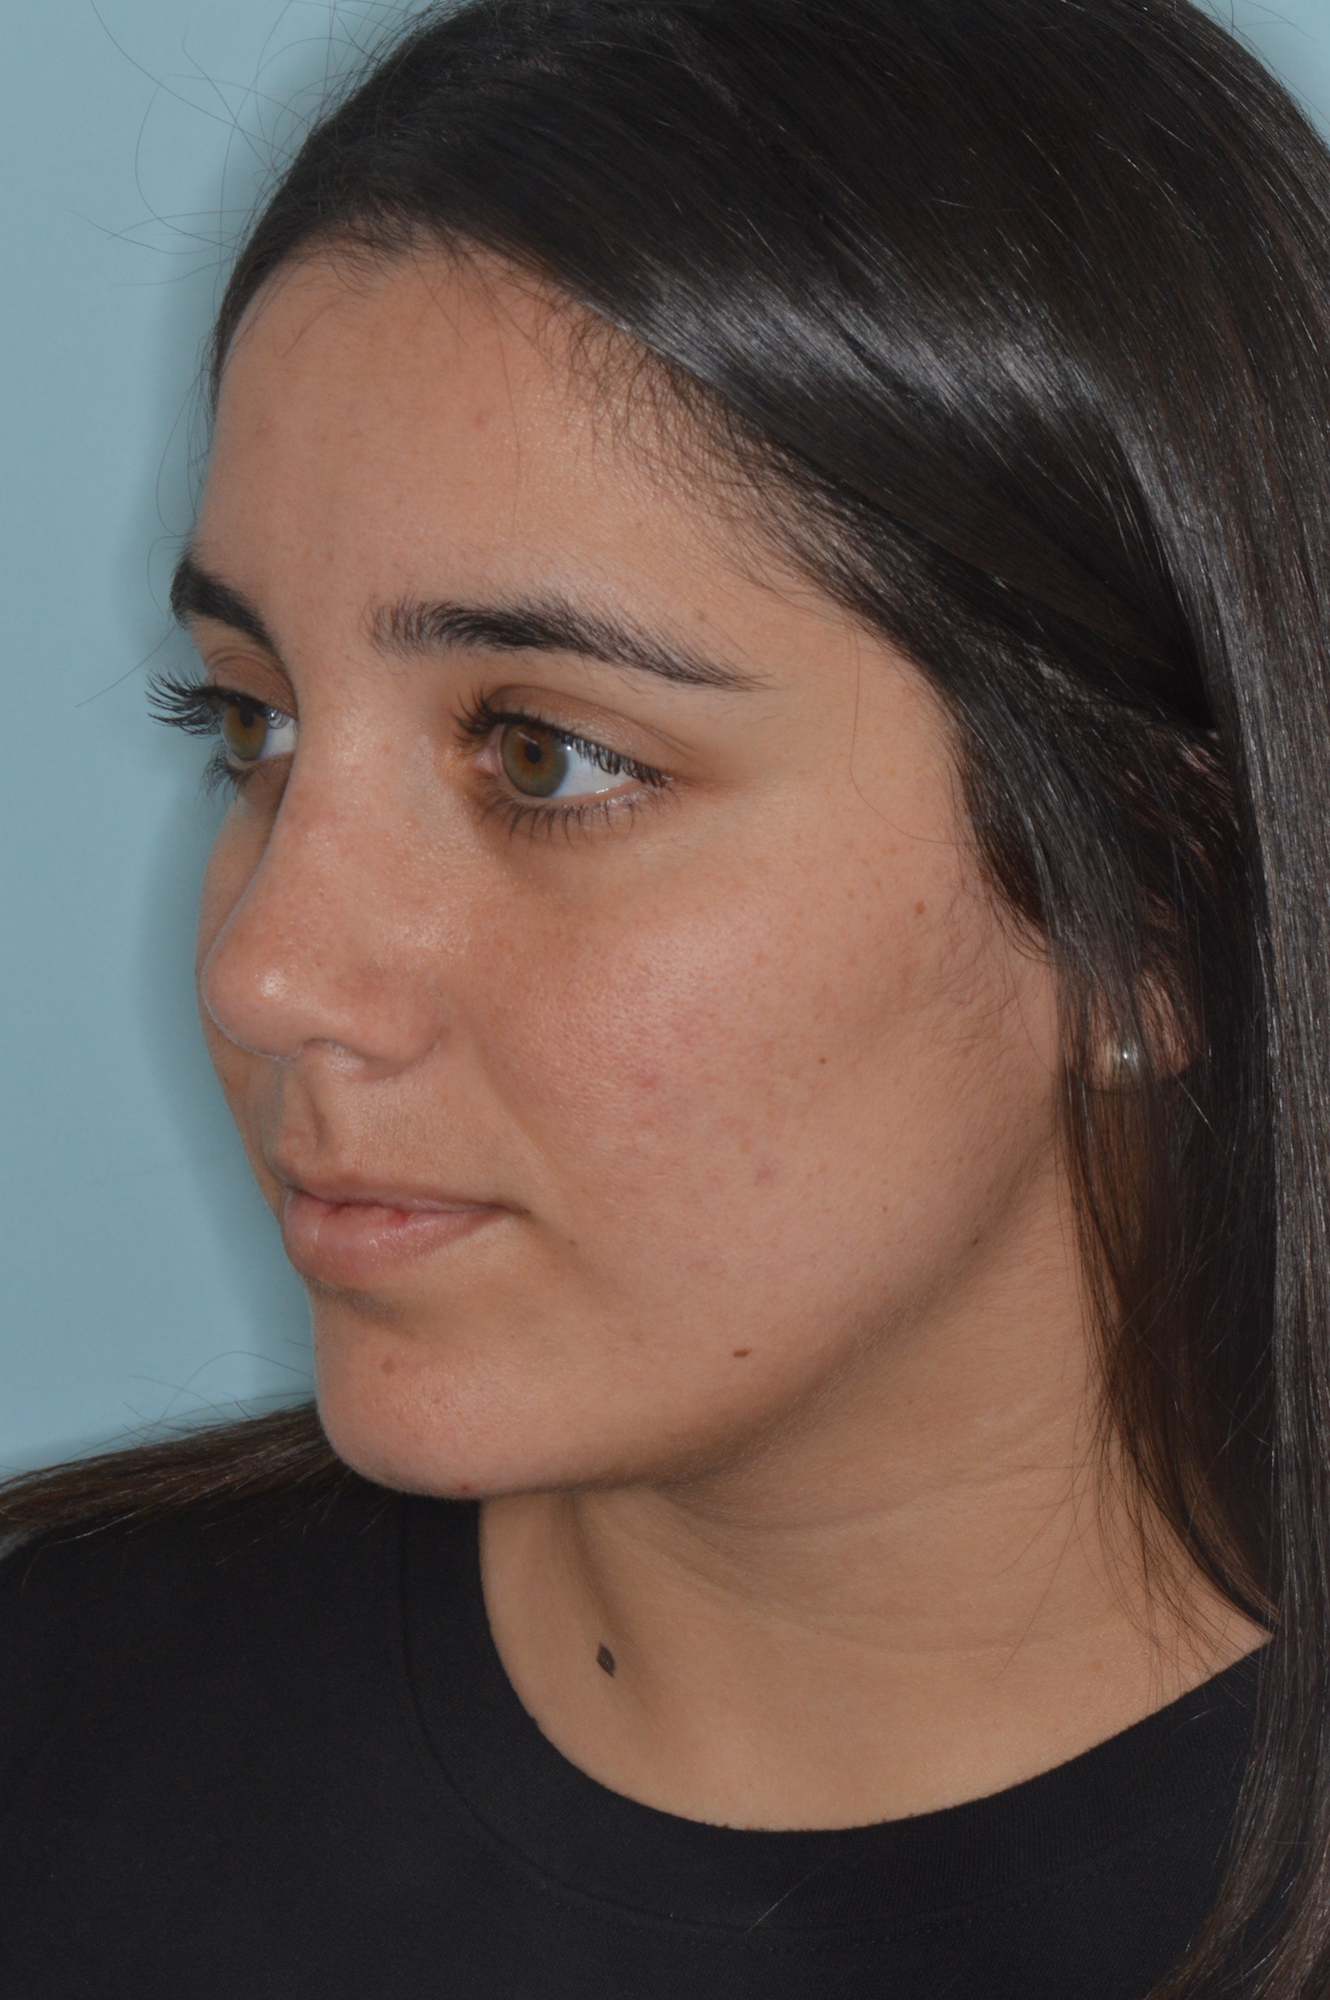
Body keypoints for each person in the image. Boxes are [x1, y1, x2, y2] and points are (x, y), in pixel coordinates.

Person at [5, 0, 1330, 1991]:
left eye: (546, 758)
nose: (265, 971)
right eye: (253, 723)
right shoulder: (57, 1752)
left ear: (1155, 900)